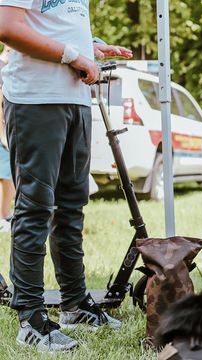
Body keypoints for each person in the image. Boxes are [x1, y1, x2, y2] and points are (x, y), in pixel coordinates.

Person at [0, 1, 132, 352]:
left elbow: (52, 28)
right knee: (35, 208)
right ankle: (30, 319)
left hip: (74, 99)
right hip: (34, 100)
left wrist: (90, 48)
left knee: (72, 206)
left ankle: (74, 305)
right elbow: (8, 27)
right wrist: (73, 55)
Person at [0, 46, 14, 231]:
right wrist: (3, 135)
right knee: (5, 175)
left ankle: (7, 214)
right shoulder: (1, 68)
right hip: (2, 132)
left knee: (10, 173)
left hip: (8, 130)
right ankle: (2, 216)